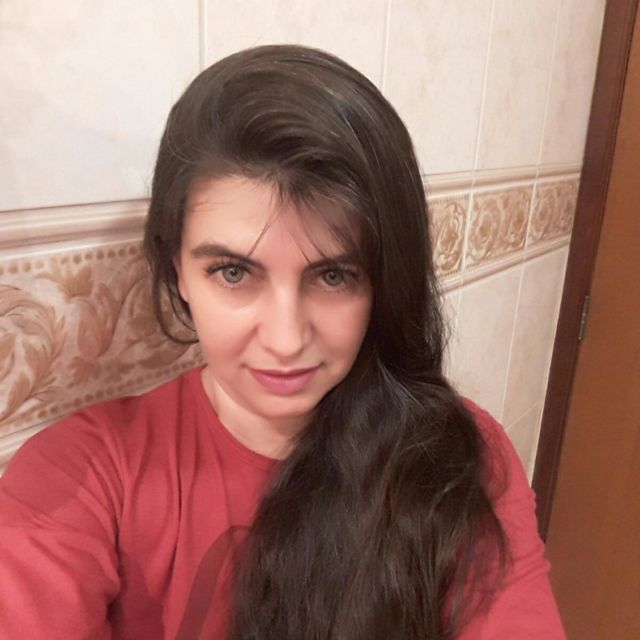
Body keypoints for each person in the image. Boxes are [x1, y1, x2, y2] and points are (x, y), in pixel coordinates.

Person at [0, 45, 566, 639]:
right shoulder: (85, 474)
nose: (286, 338)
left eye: (334, 275)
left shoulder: (456, 459)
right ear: (177, 271)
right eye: (233, 272)